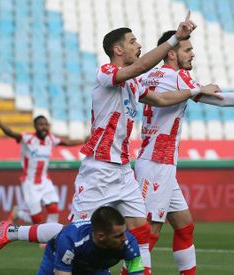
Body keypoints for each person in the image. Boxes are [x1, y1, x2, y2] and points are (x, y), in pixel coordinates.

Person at [68, 12, 221, 275]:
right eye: (133, 41)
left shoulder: (134, 84)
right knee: (73, 234)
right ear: (118, 50)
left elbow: (161, 100)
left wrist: (196, 91)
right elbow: (138, 68)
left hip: (123, 168)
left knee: (142, 232)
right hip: (99, 167)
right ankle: (15, 233)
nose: (138, 45)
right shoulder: (105, 72)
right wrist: (174, 39)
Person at [134, 30, 234, 274]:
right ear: (171, 53)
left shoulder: (149, 75)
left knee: (184, 226)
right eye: (187, 49)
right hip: (158, 163)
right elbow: (220, 99)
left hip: (156, 160)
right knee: (149, 233)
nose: (192, 53)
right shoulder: (179, 77)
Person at [0, 206, 144, 274]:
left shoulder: (130, 243)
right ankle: (11, 232)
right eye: (118, 236)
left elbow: (137, 272)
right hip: (57, 256)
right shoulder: (70, 241)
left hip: (96, 268)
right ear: (101, 236)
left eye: (124, 233)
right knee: (65, 233)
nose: (125, 239)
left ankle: (11, 232)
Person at [0, 114, 85, 225]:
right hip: (30, 183)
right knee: (36, 219)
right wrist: (0, 125)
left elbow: (67, 142)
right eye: (41, 125)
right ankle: (18, 213)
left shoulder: (50, 138)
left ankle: (48, 238)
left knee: (53, 208)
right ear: (35, 126)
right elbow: (12, 134)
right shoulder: (28, 139)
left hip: (45, 181)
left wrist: (84, 140)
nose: (44, 127)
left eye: (46, 125)